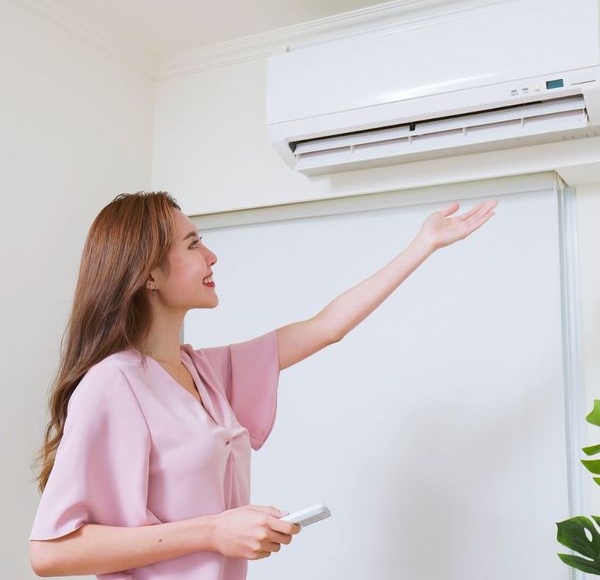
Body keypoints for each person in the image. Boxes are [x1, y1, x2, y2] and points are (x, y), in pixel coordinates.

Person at [28, 191, 497, 578]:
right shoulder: (112, 383)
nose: (212, 256)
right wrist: (214, 532)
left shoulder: (205, 373)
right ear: (148, 272)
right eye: (193, 245)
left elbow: (328, 326)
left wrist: (424, 245)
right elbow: (50, 553)